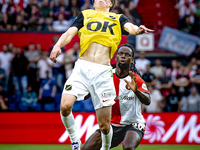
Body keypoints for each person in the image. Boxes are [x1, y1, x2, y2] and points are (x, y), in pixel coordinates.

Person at [49, 0, 153, 149]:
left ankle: (105, 148)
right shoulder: (85, 15)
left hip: (103, 71)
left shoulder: (118, 19)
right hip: (82, 67)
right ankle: (74, 141)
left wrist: (137, 30)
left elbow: (130, 27)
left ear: (111, 4)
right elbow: (69, 33)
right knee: (65, 106)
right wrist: (58, 45)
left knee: (105, 126)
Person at [81, 44, 151, 150]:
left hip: (133, 123)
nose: (123, 56)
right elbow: (86, 95)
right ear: (116, 57)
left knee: (128, 147)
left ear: (132, 60)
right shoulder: (106, 76)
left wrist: (136, 91)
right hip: (111, 125)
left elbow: (148, 100)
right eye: (121, 54)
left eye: (127, 55)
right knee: (86, 148)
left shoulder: (135, 79)